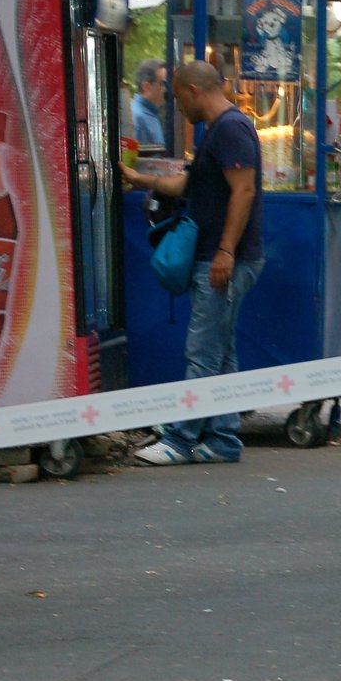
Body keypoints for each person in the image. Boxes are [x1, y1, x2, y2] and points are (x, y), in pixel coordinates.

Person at [122, 60, 264, 465]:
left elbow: (244, 191)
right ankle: (222, 438)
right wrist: (143, 179)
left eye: (178, 96)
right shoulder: (217, 131)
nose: (176, 105)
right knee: (221, 352)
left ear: (193, 91)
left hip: (222, 259)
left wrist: (225, 251)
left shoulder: (231, 129)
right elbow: (188, 183)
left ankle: (181, 439)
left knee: (202, 351)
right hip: (223, 256)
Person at [131, 58, 168, 147]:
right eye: (162, 84)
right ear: (146, 86)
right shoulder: (137, 117)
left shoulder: (151, 113)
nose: (166, 89)